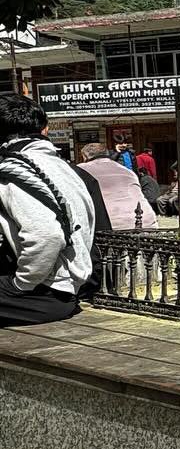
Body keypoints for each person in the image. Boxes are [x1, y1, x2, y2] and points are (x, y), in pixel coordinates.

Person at [0, 94, 98, 328]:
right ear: (43, 129)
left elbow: (47, 235)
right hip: (62, 289)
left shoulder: (15, 172)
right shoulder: (62, 168)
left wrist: (22, 283)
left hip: (42, 293)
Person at [79, 141, 156, 231]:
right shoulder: (128, 172)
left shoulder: (80, 170)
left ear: (85, 157)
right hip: (146, 223)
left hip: (109, 229)